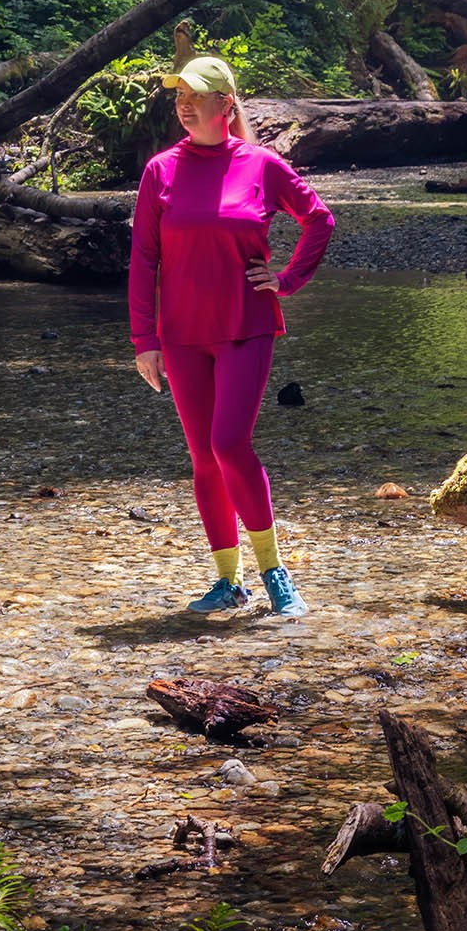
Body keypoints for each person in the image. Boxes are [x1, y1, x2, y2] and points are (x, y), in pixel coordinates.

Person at [128, 54, 335, 619]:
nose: (184, 104)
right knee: (202, 458)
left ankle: (275, 573)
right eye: (179, 96)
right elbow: (144, 257)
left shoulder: (262, 165)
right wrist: (143, 338)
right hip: (181, 335)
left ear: (226, 104)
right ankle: (228, 580)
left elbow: (319, 219)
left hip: (247, 326)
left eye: (197, 94)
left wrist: (288, 280)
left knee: (229, 445)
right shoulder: (160, 171)